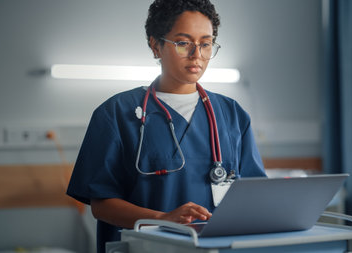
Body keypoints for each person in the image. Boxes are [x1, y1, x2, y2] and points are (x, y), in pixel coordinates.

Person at [66, 0, 266, 252]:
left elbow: (253, 195)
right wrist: (162, 219)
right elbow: (101, 204)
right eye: (183, 43)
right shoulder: (116, 113)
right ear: (155, 45)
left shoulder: (232, 114)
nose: (197, 55)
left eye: (205, 44)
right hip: (146, 247)